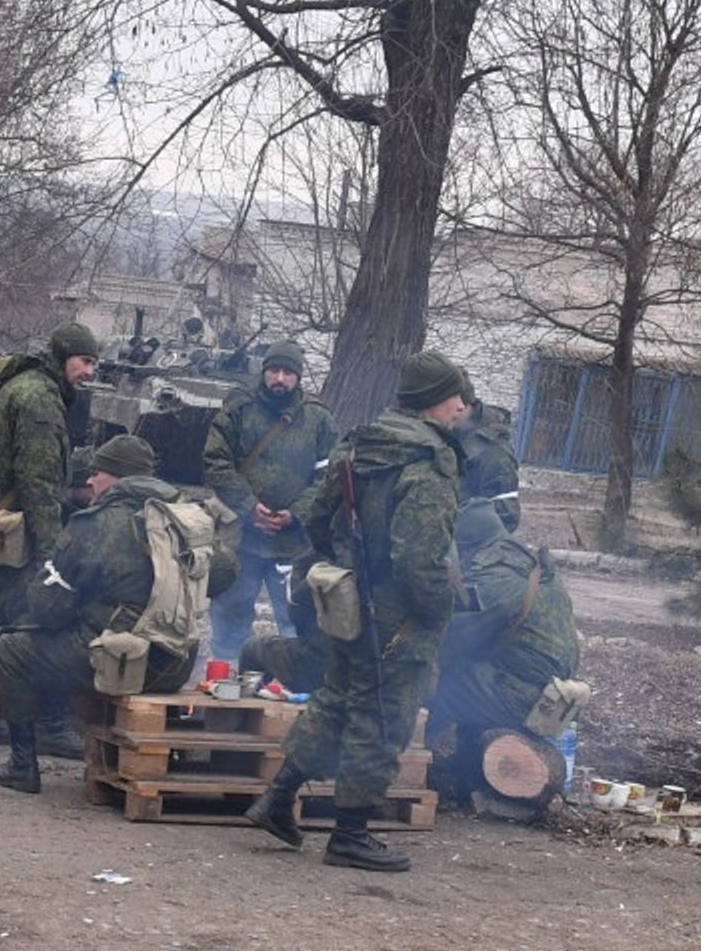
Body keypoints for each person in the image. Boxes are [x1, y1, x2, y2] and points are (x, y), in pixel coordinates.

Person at [238, 349, 473, 872]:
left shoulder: (358, 445)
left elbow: (318, 520)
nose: (463, 406)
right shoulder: (429, 460)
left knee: (336, 698)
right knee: (382, 716)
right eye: (457, 395)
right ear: (436, 401)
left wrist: (346, 566)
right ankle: (350, 834)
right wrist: (437, 611)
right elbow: (420, 556)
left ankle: (277, 799)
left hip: (346, 601)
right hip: (398, 614)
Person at [0, 432, 218, 793]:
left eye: (98, 472)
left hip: (119, 665)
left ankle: (22, 765)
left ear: (119, 477)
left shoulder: (92, 525)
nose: (90, 480)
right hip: (173, 664)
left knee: (12, 650)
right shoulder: (188, 520)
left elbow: (48, 609)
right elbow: (225, 574)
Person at [0, 320, 98, 748]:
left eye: (93, 362)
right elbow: (38, 480)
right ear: (63, 357)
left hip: (7, 526)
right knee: (39, 620)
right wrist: (54, 556)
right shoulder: (40, 399)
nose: (90, 371)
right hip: (21, 531)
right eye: (84, 361)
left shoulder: (29, 386)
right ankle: (46, 723)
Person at [425, 501, 583, 796]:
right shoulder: (517, 557)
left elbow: (456, 639)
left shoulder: (498, 572)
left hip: (525, 697)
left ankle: (410, 764)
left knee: (430, 677)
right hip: (541, 693)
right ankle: (462, 767)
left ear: (463, 545)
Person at [201, 349, 335, 662]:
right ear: (264, 372)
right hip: (241, 537)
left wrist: (296, 513)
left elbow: (328, 477)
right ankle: (227, 683)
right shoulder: (239, 409)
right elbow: (216, 462)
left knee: (296, 623)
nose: (279, 378)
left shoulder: (318, 419)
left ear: (298, 377)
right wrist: (249, 506)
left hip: (294, 545)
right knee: (230, 620)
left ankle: (291, 694)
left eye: (288, 372)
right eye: (273, 370)